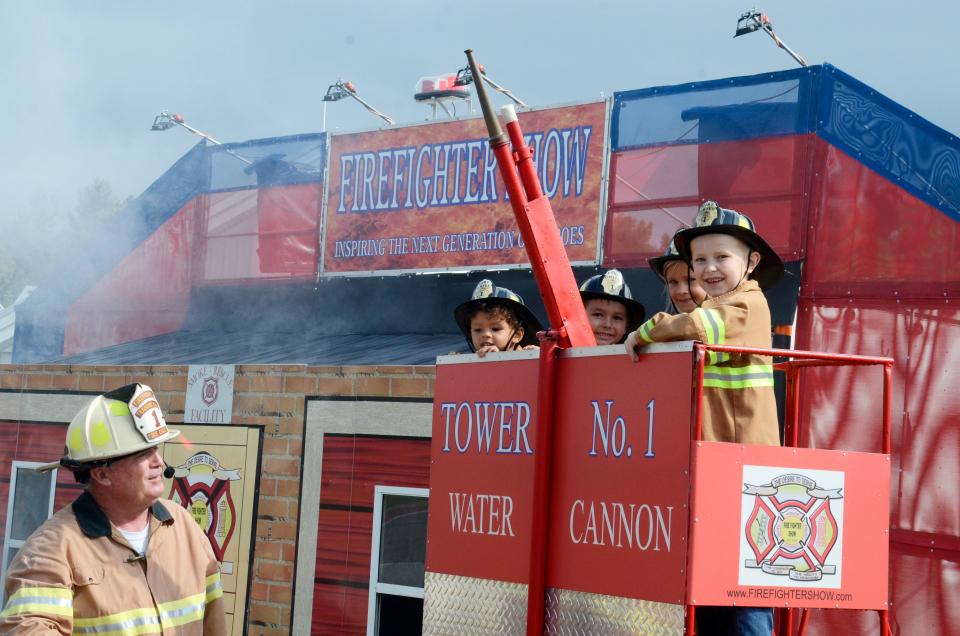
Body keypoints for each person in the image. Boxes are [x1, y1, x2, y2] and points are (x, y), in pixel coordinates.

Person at [625, 201, 784, 635]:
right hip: (719, 461)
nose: (709, 269)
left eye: (722, 257)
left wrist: (642, 332)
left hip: (745, 467)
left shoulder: (745, 304)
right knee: (715, 579)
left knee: (747, 585)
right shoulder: (725, 303)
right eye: (700, 260)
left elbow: (694, 328)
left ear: (751, 263)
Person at [0, 383, 226, 635]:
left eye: (156, 448)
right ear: (102, 474)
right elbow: (28, 628)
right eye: (142, 453)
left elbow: (213, 618)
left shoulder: (183, 526)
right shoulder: (52, 550)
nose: (158, 462)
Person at [453, 279, 543, 357]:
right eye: (478, 330)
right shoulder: (469, 363)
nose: (486, 334)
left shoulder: (531, 357)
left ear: (517, 334)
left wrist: (537, 356)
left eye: (495, 329)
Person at [578, 269, 645, 345]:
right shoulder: (562, 352)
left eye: (617, 318)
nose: (607, 325)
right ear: (579, 317)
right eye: (598, 315)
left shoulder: (633, 356)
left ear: (626, 326)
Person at [648, 239, 707, 314]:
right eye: (673, 282)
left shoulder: (725, 321)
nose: (681, 291)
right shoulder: (665, 324)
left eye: (690, 280)